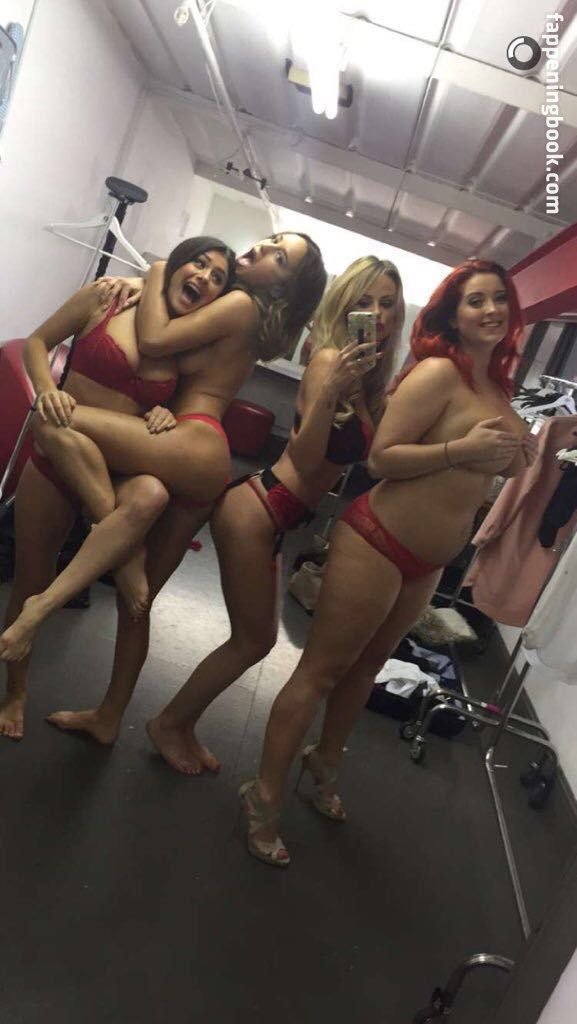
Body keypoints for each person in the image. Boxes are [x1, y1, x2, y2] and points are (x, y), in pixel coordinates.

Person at [238, 258, 539, 867]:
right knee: (322, 671)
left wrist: (518, 456)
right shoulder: (439, 372)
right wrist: (462, 448)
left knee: (369, 666)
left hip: (429, 563)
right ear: (453, 313)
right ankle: (263, 794)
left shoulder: (500, 388)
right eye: (475, 300)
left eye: (499, 299)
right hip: (377, 540)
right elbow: (381, 459)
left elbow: (495, 468)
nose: (490, 310)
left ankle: (325, 761)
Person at [0, 233, 327, 741]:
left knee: (54, 421)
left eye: (279, 257)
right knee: (139, 602)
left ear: (282, 288)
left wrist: (153, 272)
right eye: (271, 241)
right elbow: (169, 333)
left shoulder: (240, 305)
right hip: (183, 443)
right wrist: (144, 282)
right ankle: (110, 716)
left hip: (194, 441)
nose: (264, 249)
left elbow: (154, 339)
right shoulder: (225, 303)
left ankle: (107, 570)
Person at [146, 256, 405, 774]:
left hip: (278, 514)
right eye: (364, 302)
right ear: (344, 306)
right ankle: (169, 724)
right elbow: (306, 458)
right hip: (259, 507)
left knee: (254, 640)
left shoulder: (365, 377)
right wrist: (332, 390)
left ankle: (179, 724)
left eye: (387, 304)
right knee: (254, 641)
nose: (376, 314)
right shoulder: (329, 361)